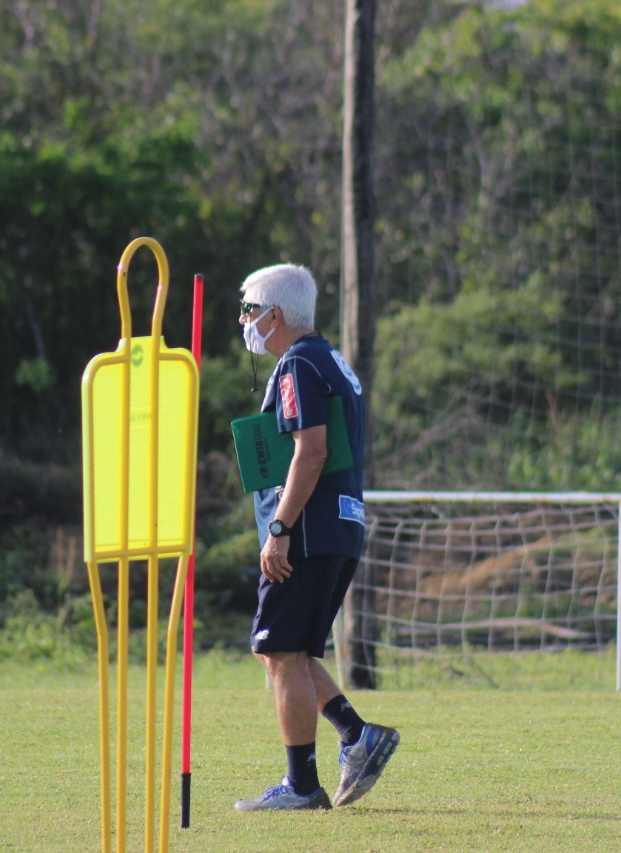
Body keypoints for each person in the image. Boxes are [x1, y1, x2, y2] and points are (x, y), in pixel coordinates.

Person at [231, 263, 399, 812]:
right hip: (339, 523)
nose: (244, 320)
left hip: (308, 527)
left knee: (279, 650)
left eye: (250, 310)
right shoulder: (330, 358)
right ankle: (356, 734)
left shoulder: (297, 362)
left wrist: (278, 528)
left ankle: (302, 785)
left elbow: (312, 449)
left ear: (274, 315)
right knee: (284, 651)